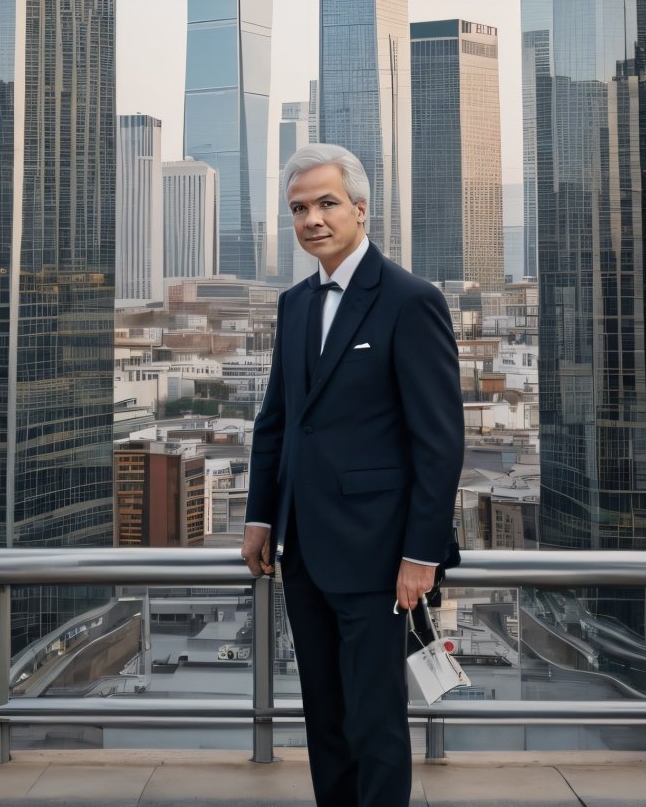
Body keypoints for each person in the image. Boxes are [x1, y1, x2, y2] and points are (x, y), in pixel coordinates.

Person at [242, 143, 465, 807]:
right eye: (299, 208)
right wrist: (259, 515)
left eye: (326, 203)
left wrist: (421, 553)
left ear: (361, 210)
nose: (312, 218)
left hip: (379, 556)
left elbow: (439, 441)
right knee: (326, 723)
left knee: (376, 722)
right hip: (304, 550)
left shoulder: (409, 301)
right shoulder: (294, 305)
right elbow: (277, 421)